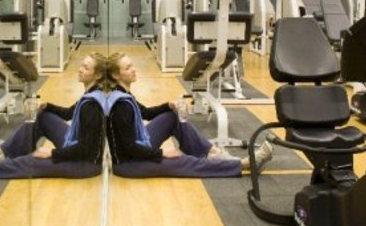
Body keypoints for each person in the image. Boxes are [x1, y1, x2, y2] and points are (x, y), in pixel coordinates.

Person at [0, 52, 107, 179]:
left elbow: (86, 149)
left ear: (98, 75)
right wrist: (46, 105)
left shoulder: (92, 106)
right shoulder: (92, 93)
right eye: (82, 65)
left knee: (30, 161)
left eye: (86, 67)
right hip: (77, 146)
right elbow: (70, 113)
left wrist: (52, 153)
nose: (80, 69)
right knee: (42, 116)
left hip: (85, 164)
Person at [104, 52, 272, 178]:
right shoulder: (120, 106)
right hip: (129, 163)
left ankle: (212, 153)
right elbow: (129, 148)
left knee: (172, 116)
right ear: (115, 75)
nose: (133, 70)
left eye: (132, 65)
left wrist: (168, 105)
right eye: (127, 68)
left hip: (138, 147)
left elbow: (145, 113)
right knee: (182, 162)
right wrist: (161, 154)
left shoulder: (123, 94)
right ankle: (243, 165)